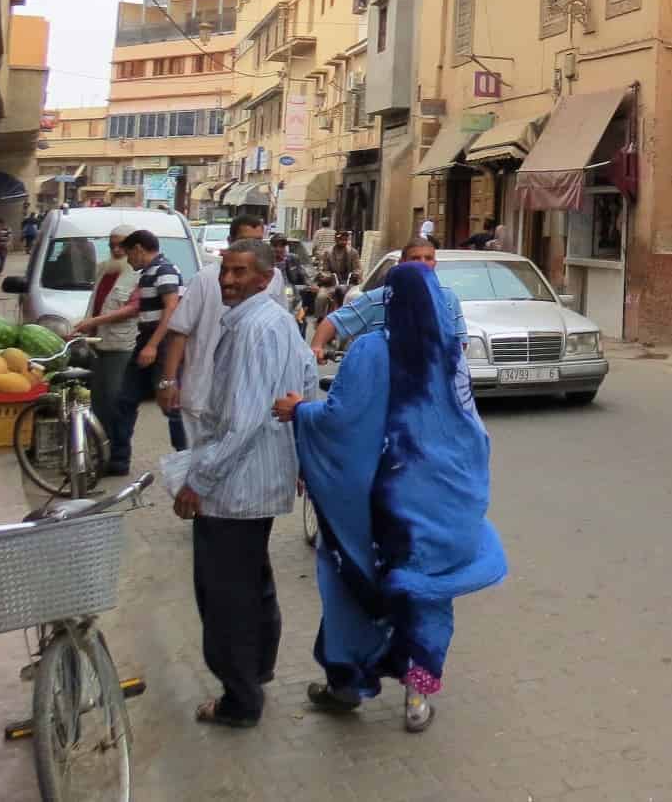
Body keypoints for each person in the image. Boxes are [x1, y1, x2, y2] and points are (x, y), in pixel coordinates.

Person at [283, 261, 508, 733]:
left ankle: (346, 684)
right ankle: (417, 699)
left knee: (350, 587)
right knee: (429, 596)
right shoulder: (450, 356)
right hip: (446, 503)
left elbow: (341, 420)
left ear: (388, 300)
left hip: (382, 508)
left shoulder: (370, 352)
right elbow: (472, 430)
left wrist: (299, 411)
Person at [173, 240, 317, 728]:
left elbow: (242, 421)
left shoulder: (255, 328)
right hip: (258, 479)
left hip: (234, 486)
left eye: (239, 272)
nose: (228, 280)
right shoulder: (276, 321)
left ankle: (240, 699)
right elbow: (308, 379)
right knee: (252, 582)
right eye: (225, 271)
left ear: (264, 277)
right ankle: (258, 670)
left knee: (224, 595)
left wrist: (199, 480)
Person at [160, 215, 287, 452]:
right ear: (230, 241)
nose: (252, 248)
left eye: (259, 241)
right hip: (203, 395)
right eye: (244, 241)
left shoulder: (274, 280)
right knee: (198, 466)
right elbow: (179, 331)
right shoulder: (206, 279)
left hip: (252, 398)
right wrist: (168, 381)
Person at [310, 237, 467, 364]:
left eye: (428, 258)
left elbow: (460, 343)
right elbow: (333, 321)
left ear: (434, 263)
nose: (422, 263)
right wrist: (317, 347)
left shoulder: (448, 299)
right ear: (402, 263)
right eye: (415, 258)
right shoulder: (377, 299)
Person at [114, 230, 187, 467]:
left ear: (138, 249)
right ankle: (118, 459)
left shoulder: (164, 270)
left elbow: (172, 309)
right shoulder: (149, 273)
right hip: (147, 340)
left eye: (128, 254)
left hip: (162, 343)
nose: (128, 260)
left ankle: (186, 457)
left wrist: (153, 345)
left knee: (170, 403)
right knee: (125, 398)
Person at [68, 224, 140, 441]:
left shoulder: (138, 275)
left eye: (121, 246)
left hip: (120, 346)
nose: (117, 251)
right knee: (98, 400)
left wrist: (93, 321)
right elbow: (97, 303)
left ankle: (116, 452)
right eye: (112, 246)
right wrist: (82, 327)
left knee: (114, 400)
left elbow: (133, 308)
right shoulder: (103, 269)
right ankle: (100, 447)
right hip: (97, 343)